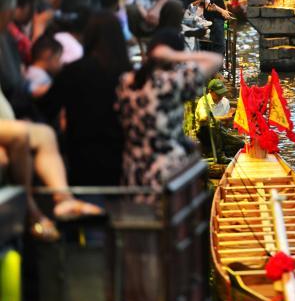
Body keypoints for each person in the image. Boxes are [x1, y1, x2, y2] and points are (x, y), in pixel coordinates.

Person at [116, 29, 221, 192]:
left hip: (133, 171)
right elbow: (215, 59)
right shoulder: (170, 83)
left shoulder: (125, 82)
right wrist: (175, 55)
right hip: (168, 172)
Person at [39, 12, 131, 186]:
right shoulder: (129, 75)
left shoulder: (73, 71)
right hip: (122, 155)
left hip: (82, 155)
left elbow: (46, 107)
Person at [195, 78, 234, 156]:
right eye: (218, 94)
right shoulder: (203, 101)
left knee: (240, 144)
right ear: (210, 91)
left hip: (220, 132)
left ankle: (221, 152)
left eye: (222, 93)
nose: (221, 96)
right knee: (213, 127)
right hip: (205, 133)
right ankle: (218, 155)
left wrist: (230, 117)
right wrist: (224, 118)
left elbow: (225, 124)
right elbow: (203, 118)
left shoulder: (225, 102)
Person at [26, 34, 63, 98]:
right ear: (47, 54)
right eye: (58, 58)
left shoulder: (33, 71)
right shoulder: (36, 73)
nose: (60, 63)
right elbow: (32, 90)